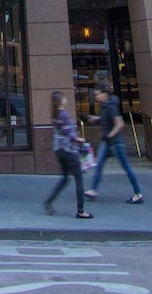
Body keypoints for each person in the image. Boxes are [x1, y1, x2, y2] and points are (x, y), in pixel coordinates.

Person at [84, 83, 144, 204]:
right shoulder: (105, 106)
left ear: (104, 94)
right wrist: (97, 118)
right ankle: (93, 190)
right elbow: (109, 119)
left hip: (115, 143)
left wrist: (109, 135)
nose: (96, 97)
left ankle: (138, 193)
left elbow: (120, 123)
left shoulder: (110, 106)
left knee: (126, 167)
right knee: (99, 164)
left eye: (97, 94)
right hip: (108, 143)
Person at [44, 90, 92, 219]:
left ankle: (49, 201)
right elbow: (69, 133)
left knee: (65, 178)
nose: (66, 100)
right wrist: (80, 140)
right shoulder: (63, 114)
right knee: (79, 178)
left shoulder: (54, 114)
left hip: (59, 150)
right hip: (69, 150)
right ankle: (81, 210)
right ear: (61, 101)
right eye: (64, 98)